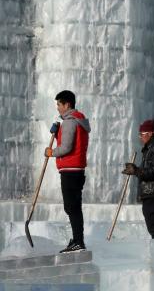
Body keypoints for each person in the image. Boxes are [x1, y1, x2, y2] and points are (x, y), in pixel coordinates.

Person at [45, 90, 91, 253]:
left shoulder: (70, 122)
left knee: (72, 207)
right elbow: (70, 143)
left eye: (59, 104)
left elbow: (66, 148)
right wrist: (58, 134)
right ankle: (77, 239)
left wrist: (52, 153)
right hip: (76, 169)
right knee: (73, 206)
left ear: (67, 104)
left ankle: (78, 241)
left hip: (71, 170)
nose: (58, 108)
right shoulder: (77, 121)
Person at [122, 119, 154, 238]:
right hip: (153, 195)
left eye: (142, 134)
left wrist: (136, 170)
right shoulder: (151, 148)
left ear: (150, 134)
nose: (140, 137)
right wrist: (136, 170)